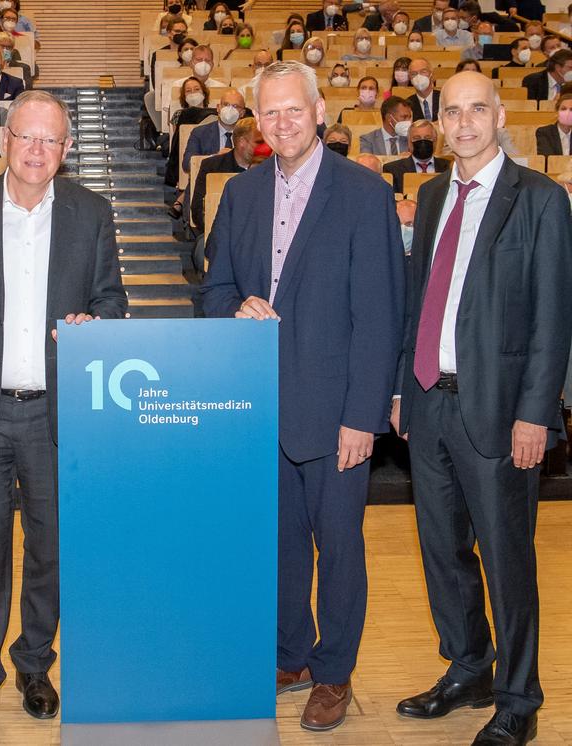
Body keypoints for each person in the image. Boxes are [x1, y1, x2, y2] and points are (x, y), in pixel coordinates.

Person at [202, 59, 404, 733]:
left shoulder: (362, 193)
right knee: (279, 544)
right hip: (261, 408)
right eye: (269, 112)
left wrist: (362, 417)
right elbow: (214, 290)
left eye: (293, 110)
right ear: (255, 122)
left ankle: (333, 671)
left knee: (339, 546)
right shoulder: (241, 194)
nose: (281, 122)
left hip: (335, 410)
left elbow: (379, 315)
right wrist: (236, 310)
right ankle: (289, 655)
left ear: (320, 113)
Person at [0, 88, 127, 744]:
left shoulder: (93, 213)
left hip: (57, 415)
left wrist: (97, 323)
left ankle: (35, 663)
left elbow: (113, 301)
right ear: (6, 138)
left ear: (66, 151)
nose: (37, 151)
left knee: (50, 550)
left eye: (51, 141)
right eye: (27, 137)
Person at [391, 70, 572, 746]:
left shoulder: (541, 199)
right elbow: (418, 302)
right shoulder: (434, 193)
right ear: (437, 120)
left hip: (501, 412)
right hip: (430, 404)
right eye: (452, 111)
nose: (463, 123)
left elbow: (554, 319)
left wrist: (537, 413)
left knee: (506, 559)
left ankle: (520, 698)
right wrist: (400, 388)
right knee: (442, 551)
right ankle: (469, 668)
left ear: (499, 115)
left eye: (477, 110)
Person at [191, 116, 257, 233]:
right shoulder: (212, 166)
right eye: (258, 142)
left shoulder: (270, 168)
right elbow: (197, 210)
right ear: (241, 142)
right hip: (218, 232)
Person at [182, 88, 245, 173]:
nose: (229, 109)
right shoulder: (199, 133)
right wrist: (215, 158)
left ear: (242, 113)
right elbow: (187, 164)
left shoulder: (249, 135)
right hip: (205, 182)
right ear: (218, 108)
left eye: (235, 106)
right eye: (226, 105)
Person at [383, 118, 450, 192]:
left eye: (427, 138)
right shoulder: (392, 170)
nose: (422, 142)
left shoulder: (449, 167)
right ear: (409, 142)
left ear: (435, 141)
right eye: (417, 138)